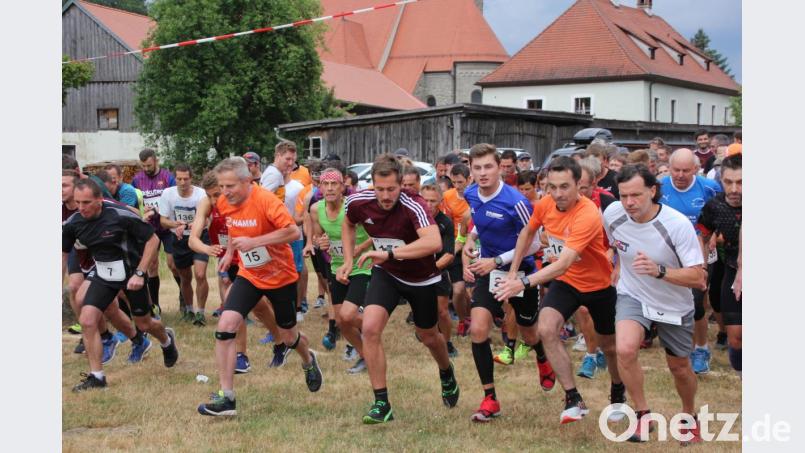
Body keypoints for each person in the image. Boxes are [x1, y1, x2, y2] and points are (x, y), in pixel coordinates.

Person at [495, 156, 623, 425]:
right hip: (567, 284)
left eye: (564, 187)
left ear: (578, 185)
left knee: (610, 348)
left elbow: (564, 262)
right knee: (546, 329)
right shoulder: (545, 204)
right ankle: (573, 397)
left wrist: (524, 281)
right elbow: (527, 233)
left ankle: (618, 392)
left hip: (598, 286)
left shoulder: (588, 213)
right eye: (551, 187)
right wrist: (513, 269)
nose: (557, 194)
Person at [197, 157, 322, 417]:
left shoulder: (266, 200)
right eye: (222, 186)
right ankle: (227, 398)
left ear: (247, 181)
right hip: (250, 274)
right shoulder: (224, 201)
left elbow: (292, 232)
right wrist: (231, 252)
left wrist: (255, 242)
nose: (225, 192)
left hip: (281, 276)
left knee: (288, 336)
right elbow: (233, 227)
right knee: (225, 326)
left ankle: (308, 359)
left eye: (230, 186)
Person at [342, 153, 459, 424]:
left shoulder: (413, 205)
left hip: (422, 279)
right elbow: (349, 223)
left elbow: (433, 244)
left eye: (391, 189)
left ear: (401, 185)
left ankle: (446, 372)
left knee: (428, 335)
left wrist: (390, 254)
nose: (385, 196)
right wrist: (348, 259)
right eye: (380, 189)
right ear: (372, 184)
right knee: (370, 329)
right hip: (388, 274)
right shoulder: (359, 201)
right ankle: (382, 403)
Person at [604, 164, 707, 443]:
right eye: (623, 196)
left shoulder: (676, 225)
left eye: (636, 195)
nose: (629, 203)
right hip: (633, 294)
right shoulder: (612, 215)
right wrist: (612, 260)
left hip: (673, 301)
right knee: (624, 349)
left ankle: (689, 416)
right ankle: (642, 415)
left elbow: (699, 277)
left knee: (680, 367)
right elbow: (616, 244)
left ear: (653, 190)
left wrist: (660, 270)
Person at [462, 144, 554, 423]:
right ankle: (490, 398)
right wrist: (470, 240)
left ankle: (541, 357)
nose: (482, 173)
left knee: (528, 330)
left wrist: (498, 260)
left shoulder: (516, 202)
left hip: (521, 273)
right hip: (488, 270)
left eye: (488, 167)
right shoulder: (470, 193)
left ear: (499, 167)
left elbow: (534, 242)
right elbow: (481, 220)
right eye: (476, 168)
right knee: (478, 329)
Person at [63, 179, 179, 392]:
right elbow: (63, 254)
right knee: (87, 319)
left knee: (144, 324)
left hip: (131, 273)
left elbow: (153, 240)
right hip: (104, 273)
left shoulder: (121, 215)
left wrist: (140, 273)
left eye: (86, 202)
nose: (81, 207)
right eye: (78, 202)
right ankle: (97, 377)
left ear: (100, 199)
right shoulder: (73, 222)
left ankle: (166, 340)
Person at [660, 149, 722, 373]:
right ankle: (678, 347)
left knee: (697, 303)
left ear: (696, 169)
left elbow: (722, 212)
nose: (680, 175)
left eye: (686, 170)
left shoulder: (709, 187)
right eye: (676, 170)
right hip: (669, 253)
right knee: (674, 301)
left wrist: (716, 234)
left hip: (701, 252)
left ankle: (702, 348)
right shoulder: (660, 186)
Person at [307, 167, 372, 373]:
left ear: (342, 186)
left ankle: (373, 328)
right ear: (320, 187)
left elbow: (376, 232)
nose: (329, 188)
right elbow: (319, 238)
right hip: (337, 267)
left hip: (361, 265)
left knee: (349, 314)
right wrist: (321, 242)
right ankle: (365, 356)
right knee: (342, 323)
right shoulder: (316, 209)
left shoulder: (353, 206)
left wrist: (360, 248)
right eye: (325, 184)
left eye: (334, 184)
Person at [696, 154, 742, 377]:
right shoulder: (715, 206)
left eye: (741, 182)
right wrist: (703, 266)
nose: (734, 189)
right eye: (729, 182)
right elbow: (702, 235)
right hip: (732, 269)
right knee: (736, 336)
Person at [158, 163, 210, 325]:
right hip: (179, 240)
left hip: (200, 236)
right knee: (185, 277)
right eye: (179, 179)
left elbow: (206, 220)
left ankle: (200, 313)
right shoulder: (168, 194)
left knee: (200, 274)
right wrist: (175, 225)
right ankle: (189, 310)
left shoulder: (201, 195)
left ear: (191, 179)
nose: (182, 182)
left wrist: (186, 226)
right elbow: (163, 221)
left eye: (185, 179)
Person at [131, 148, 179, 316]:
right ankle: (155, 306)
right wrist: (142, 213)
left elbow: (175, 199)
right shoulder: (137, 180)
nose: (146, 169)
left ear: (156, 161)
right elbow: (134, 203)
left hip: (167, 226)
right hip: (149, 229)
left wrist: (159, 210)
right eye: (143, 166)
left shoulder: (168, 177)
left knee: (173, 264)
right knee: (152, 266)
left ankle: (183, 296)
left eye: (149, 165)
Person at [420, 184, 458, 357]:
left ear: (441, 202)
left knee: (442, 311)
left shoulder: (446, 222)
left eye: (433, 201)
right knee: (423, 310)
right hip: (415, 273)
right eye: (425, 200)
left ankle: (448, 343)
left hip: (437, 271)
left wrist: (430, 269)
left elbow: (449, 255)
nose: (428, 204)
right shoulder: (413, 219)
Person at [442, 163, 472, 337]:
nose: (457, 186)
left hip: (476, 247)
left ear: (469, 179)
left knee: (471, 291)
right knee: (459, 290)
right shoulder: (447, 196)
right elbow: (446, 222)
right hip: (456, 245)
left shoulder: (477, 195)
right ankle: (464, 319)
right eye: (454, 182)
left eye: (461, 182)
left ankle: (475, 317)